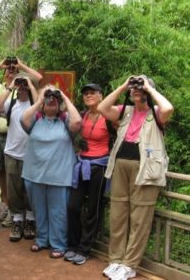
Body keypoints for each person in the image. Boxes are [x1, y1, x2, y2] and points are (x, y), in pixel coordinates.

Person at [98, 75, 174, 280]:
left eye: (139, 88)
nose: (136, 90)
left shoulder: (156, 113)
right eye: (135, 88)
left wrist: (149, 88)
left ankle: (129, 264)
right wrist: (123, 86)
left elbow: (168, 108)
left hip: (146, 170)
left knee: (140, 219)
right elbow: (102, 108)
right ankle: (116, 260)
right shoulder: (126, 111)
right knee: (118, 214)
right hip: (121, 166)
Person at [0, 57, 42, 227]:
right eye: (9, 70)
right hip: (1, 136)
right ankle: (8, 207)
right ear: (4, 75)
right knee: (2, 172)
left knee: (21, 178)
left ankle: (22, 213)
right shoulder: (1, 88)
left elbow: (38, 79)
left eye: (14, 70)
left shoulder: (26, 93)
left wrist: (21, 66)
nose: (12, 72)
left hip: (23, 141)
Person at [21, 85, 82, 258]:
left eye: (55, 99)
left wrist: (63, 96)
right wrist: (40, 99)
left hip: (59, 176)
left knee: (58, 213)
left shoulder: (65, 121)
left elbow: (77, 122)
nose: (51, 100)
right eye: (48, 99)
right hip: (34, 174)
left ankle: (58, 245)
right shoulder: (35, 121)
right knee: (39, 210)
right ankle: (41, 240)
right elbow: (23, 119)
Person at [64, 83, 113, 265]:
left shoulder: (109, 117)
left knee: (93, 208)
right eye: (85, 93)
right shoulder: (83, 116)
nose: (88, 96)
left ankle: (84, 250)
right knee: (73, 207)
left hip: (99, 166)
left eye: (92, 93)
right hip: (82, 163)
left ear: (101, 96)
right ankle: (72, 245)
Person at [0, 73, 39, 242]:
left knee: (30, 190)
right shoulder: (10, 103)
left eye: (24, 83)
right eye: (20, 83)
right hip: (12, 152)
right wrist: (10, 87)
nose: (22, 86)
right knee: (14, 190)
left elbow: (41, 109)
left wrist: (31, 86)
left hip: (31, 155)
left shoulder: (35, 103)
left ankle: (30, 221)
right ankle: (17, 221)